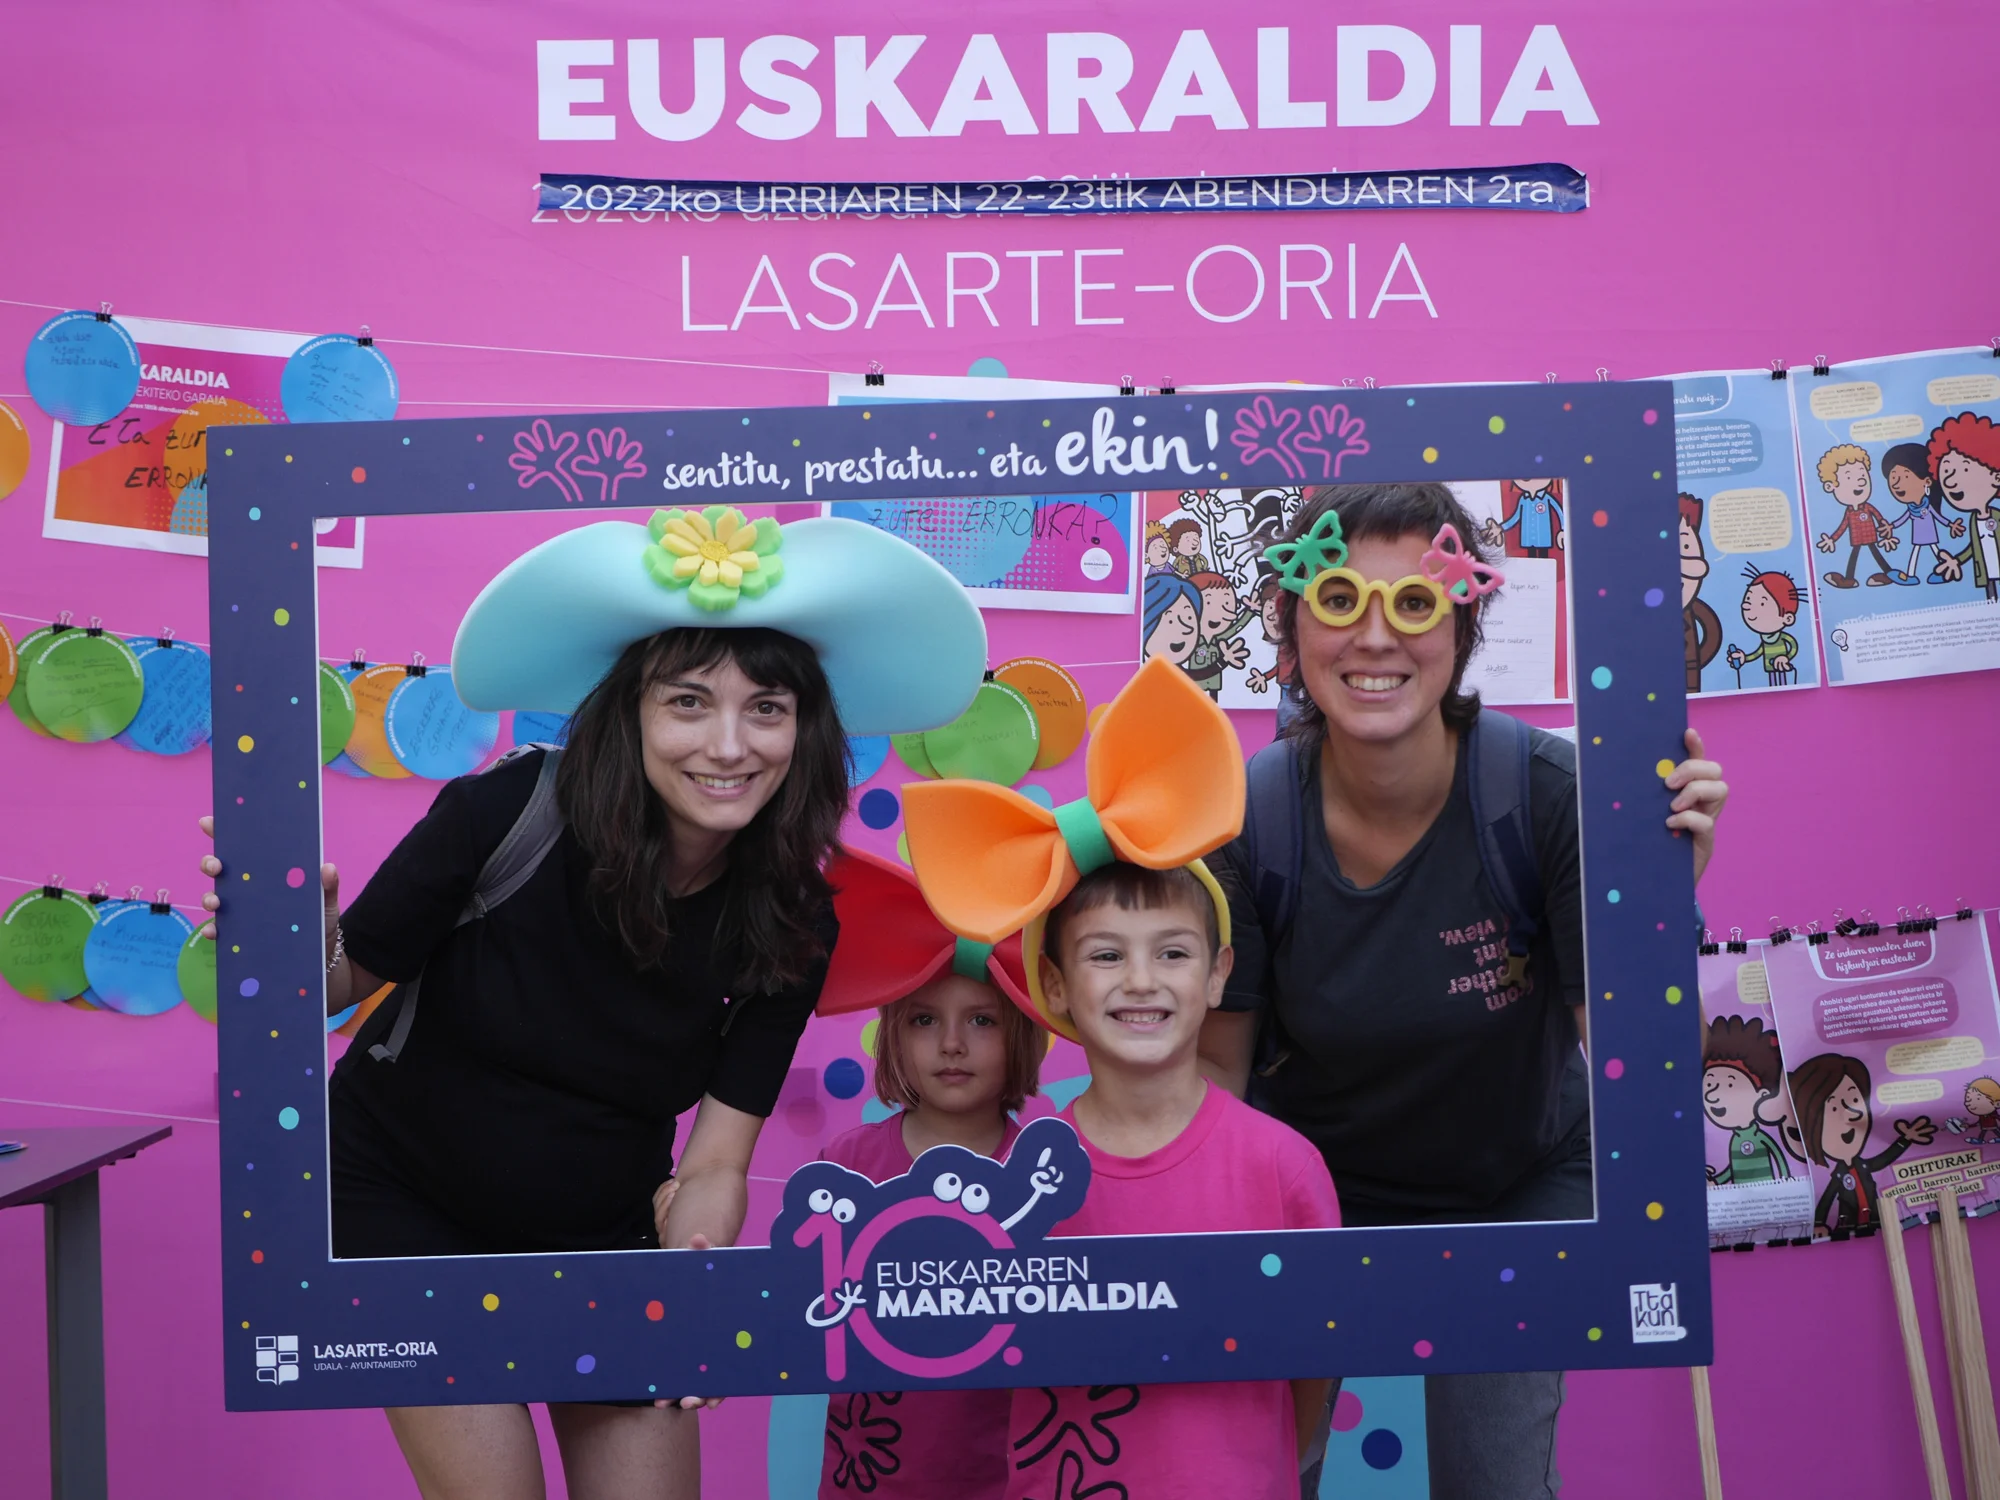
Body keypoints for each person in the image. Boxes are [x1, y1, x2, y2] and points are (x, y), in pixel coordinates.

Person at [199, 506, 986, 1500]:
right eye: (689, 702)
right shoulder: (507, 811)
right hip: (402, 1201)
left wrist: (692, 1280)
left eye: (767, 708)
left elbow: (714, 1162)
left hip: (602, 1226)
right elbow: (338, 982)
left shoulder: (794, 916)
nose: (729, 745)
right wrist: (296, 937)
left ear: (805, 728)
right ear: (632, 713)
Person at [1196, 484, 1729, 1500]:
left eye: (1414, 603)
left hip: (1513, 1184)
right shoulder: (1247, 817)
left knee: (1495, 1480)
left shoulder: (1549, 796)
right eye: (1340, 600)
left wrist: (1653, 920)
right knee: (1262, 1474)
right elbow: (1218, 1077)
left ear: (1460, 629)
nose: (1375, 638)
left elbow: (1654, 1074)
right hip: (1313, 1190)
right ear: (1291, 628)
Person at [904, 657, 1340, 1500]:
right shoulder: (1015, 1179)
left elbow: (1314, 1369)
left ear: (1217, 977)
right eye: (1106, 956)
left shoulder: (1284, 1167)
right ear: (1056, 987)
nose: (1141, 982)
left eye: (1172, 954)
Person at [808, 849, 1045, 1500]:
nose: (951, 1044)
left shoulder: (1043, 1180)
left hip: (1008, 1483)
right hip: (867, 1482)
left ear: (1021, 1032)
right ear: (893, 1034)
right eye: (924, 1020)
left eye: (982, 1020)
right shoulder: (845, 1168)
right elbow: (804, 1316)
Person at [1789, 1052, 1936, 1235]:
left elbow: (1884, 1159)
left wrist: (1905, 1139)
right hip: (1849, 1228)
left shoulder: (1864, 1165)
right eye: (1834, 1108)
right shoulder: (1838, 1174)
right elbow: (1827, 1198)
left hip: (1876, 1223)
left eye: (1855, 1101)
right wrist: (1819, 1223)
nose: (1852, 1114)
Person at [1701, 1015, 1790, 1184]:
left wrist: (1787, 1179)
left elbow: (1779, 1157)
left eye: (1730, 1086)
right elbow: (1732, 1169)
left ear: (1763, 1096)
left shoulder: (1759, 1136)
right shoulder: (1735, 1140)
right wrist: (1716, 1181)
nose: (1712, 1096)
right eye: (1710, 1084)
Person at [1814, 443, 1899, 588]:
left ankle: (1888, 573)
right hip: (1857, 538)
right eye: (1849, 477)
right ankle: (1849, 579)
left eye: (1862, 475)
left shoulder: (1868, 507)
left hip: (1870, 535)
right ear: (1830, 486)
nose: (1861, 481)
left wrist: (1885, 526)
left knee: (1875, 552)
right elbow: (1843, 527)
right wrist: (1832, 539)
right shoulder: (1849, 512)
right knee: (1855, 554)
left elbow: (1879, 517)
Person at [1879, 441, 1962, 585]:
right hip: (1918, 534)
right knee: (1916, 552)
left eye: (1905, 477)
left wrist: (1951, 525)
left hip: (1930, 533)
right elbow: (1903, 519)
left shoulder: (1928, 505)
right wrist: (1891, 526)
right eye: (1893, 477)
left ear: (1927, 482)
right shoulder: (1911, 508)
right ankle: (1911, 576)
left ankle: (1942, 572)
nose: (1896, 484)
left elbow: (1938, 517)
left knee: (1936, 551)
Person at [1723, 568, 1802, 686]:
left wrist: (1785, 657)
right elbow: (1758, 652)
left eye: (1762, 603)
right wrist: (1744, 658)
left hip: (1783, 669)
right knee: (1772, 684)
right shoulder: (1765, 639)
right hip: (1769, 670)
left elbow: (1793, 646)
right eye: (1748, 599)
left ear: (1787, 618)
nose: (1745, 605)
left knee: (1783, 683)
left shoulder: (1782, 637)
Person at [1678, 493, 1724, 690]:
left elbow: (1712, 634)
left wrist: (1694, 663)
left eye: (1685, 546)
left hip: (1691, 681)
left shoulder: (1694, 608)